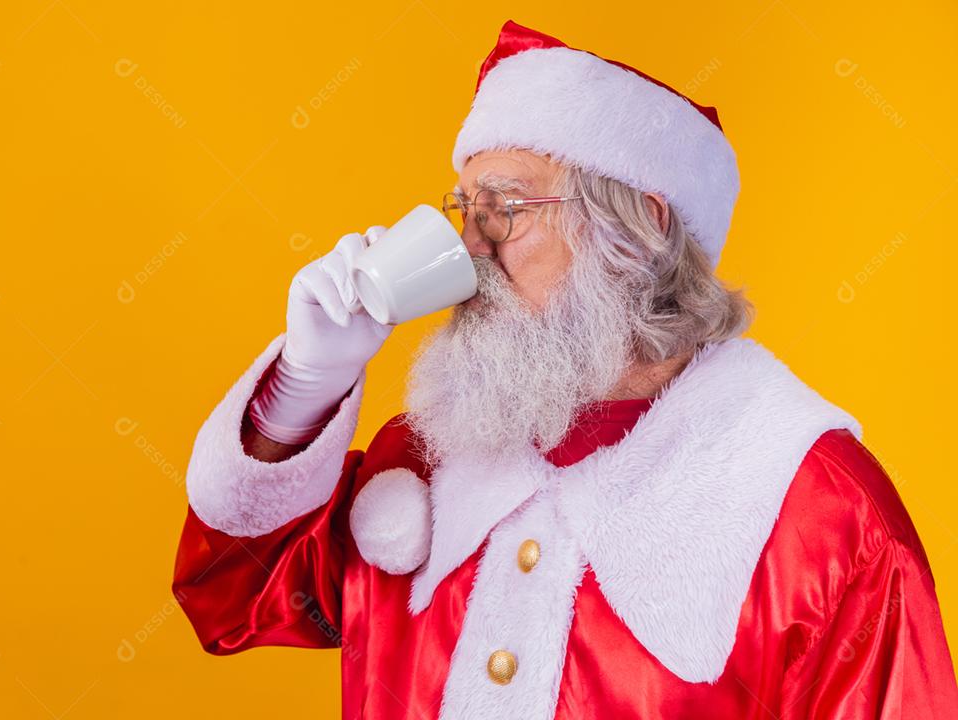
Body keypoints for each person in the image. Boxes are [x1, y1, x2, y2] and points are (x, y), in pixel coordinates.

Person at [171, 19, 958, 719]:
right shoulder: (424, 454)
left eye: (504, 211)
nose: (468, 252)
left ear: (640, 231)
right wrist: (304, 389)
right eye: (462, 212)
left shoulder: (820, 514)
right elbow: (233, 599)